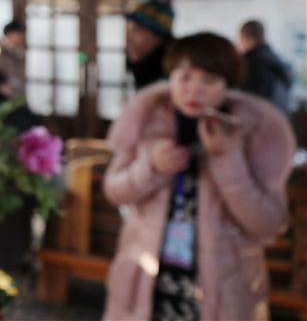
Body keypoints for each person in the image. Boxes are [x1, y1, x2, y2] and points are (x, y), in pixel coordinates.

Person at [103, 32, 294, 321]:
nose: (195, 90)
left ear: (227, 85)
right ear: (171, 76)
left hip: (221, 290)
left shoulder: (252, 133)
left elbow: (269, 224)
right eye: (185, 77)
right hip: (145, 283)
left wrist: (228, 161)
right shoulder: (148, 120)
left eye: (209, 80)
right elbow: (114, 190)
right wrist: (150, 167)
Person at [239, 20, 292, 113]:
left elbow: (246, 101)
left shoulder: (250, 63)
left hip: (258, 122)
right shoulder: (277, 61)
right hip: (279, 121)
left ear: (245, 38)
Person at [126, 0, 174, 90]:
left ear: (159, 35)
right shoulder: (144, 70)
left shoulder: (174, 81)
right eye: (128, 31)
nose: (128, 39)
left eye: (136, 30)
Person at [0, 21, 27, 102]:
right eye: (18, 34)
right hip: (3, 98)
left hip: (19, 96)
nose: (20, 37)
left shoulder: (22, 52)